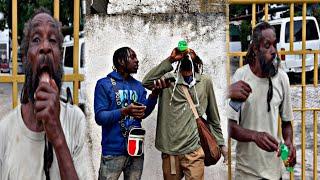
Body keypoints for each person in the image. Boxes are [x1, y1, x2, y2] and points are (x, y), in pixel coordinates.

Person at [0, 8, 88, 180]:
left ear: (59, 57)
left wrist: (57, 135)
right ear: (25, 59)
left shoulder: (76, 121)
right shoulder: (4, 131)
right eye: (36, 40)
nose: (45, 47)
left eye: (52, 40)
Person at [142, 48, 227, 180]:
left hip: (194, 151)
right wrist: (170, 59)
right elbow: (146, 82)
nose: (187, 55)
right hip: (170, 152)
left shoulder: (205, 82)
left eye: (190, 53)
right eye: (184, 54)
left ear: (197, 61)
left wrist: (222, 145)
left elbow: (213, 116)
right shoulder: (168, 81)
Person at [228, 22, 296, 179]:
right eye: (267, 46)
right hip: (247, 173)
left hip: (274, 172)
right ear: (256, 48)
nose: (273, 51)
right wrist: (254, 136)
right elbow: (230, 126)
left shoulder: (282, 78)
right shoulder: (241, 77)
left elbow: (286, 123)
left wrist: (288, 141)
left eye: (275, 45)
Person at [94, 47, 159, 180]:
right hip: (112, 152)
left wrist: (154, 95)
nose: (137, 61)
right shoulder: (104, 84)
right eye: (132, 57)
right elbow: (100, 117)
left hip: (136, 150)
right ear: (121, 61)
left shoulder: (138, 86)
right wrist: (124, 112)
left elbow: (143, 113)